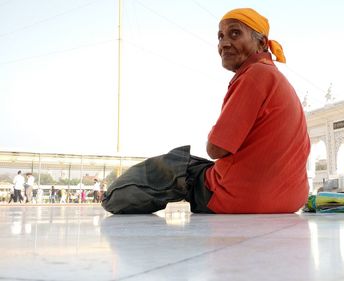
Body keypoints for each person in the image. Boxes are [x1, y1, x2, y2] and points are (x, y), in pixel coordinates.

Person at [102, 8, 310, 214]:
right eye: (220, 36)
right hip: (290, 201)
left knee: (176, 165)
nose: (224, 44)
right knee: (200, 167)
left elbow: (216, 148)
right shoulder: (275, 77)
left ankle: (110, 196)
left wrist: (214, 132)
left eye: (235, 33)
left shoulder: (255, 74)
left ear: (262, 43)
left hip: (242, 198)